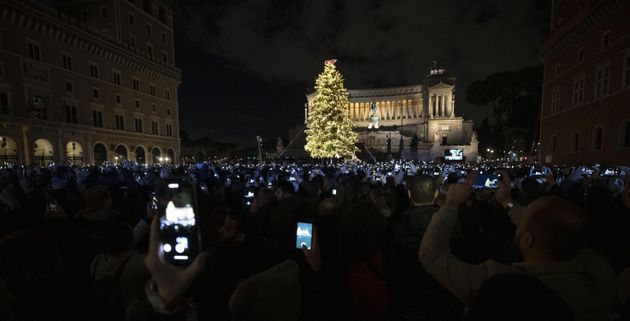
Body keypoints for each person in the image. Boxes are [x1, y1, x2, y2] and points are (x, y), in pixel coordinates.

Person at [419, 173, 618, 321]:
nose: (518, 222)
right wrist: (507, 203)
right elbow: (549, 226)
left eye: (522, 223)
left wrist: (451, 204)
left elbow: (431, 254)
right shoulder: (601, 273)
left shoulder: (499, 283)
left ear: (528, 241)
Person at [386, 174, 458, 321]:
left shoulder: (394, 225)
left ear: (409, 194)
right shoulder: (451, 223)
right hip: (442, 291)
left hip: (409, 293)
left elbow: (390, 264)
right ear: (436, 194)